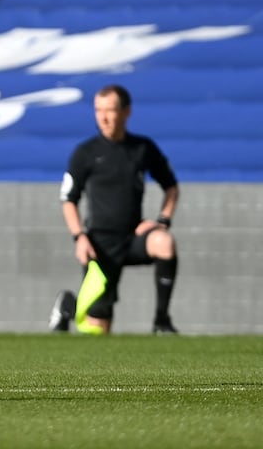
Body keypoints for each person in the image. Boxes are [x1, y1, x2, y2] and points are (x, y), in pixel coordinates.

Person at [50, 84, 180, 335]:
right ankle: (68, 307)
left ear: (126, 112)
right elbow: (68, 199)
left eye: (110, 110)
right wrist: (80, 237)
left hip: (133, 237)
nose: (104, 117)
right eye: (98, 110)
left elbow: (171, 188)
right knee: (98, 328)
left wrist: (162, 221)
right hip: (99, 245)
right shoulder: (86, 152)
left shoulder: (142, 148)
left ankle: (162, 321)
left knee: (164, 242)